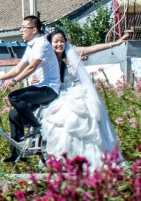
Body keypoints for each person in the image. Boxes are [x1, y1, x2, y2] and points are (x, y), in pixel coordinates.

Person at [40, 29, 129, 169]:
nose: (59, 44)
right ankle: (64, 158)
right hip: (58, 93)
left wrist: (115, 43)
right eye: (56, 41)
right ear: (50, 43)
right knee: (61, 120)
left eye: (62, 41)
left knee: (87, 117)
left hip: (77, 92)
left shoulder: (71, 52)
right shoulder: (46, 58)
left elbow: (92, 48)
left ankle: (90, 157)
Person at [0, 15, 61, 163]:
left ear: (34, 30)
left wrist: (14, 81)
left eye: (24, 28)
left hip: (49, 89)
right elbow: (19, 67)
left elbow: (32, 67)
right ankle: (17, 154)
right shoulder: (31, 46)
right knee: (14, 114)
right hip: (40, 88)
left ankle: (36, 126)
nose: (21, 31)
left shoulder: (42, 44)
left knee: (14, 96)